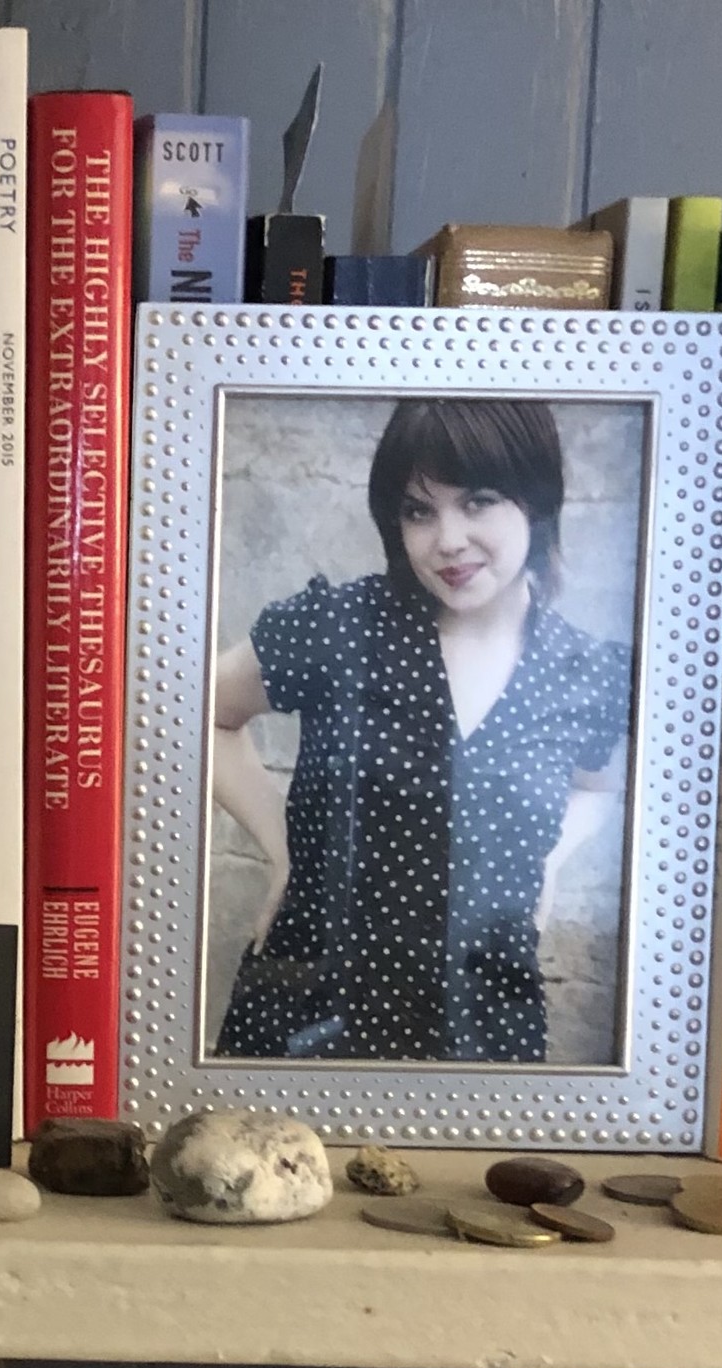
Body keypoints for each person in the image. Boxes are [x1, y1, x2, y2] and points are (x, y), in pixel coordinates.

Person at [211, 398, 629, 1064]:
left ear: (535, 497)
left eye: (478, 501)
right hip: (306, 1021)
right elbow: (194, 708)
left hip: (483, 1026)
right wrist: (283, 848)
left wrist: (547, 859)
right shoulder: (337, 629)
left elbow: (598, 786)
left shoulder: (583, 672)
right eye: (418, 510)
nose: (447, 540)